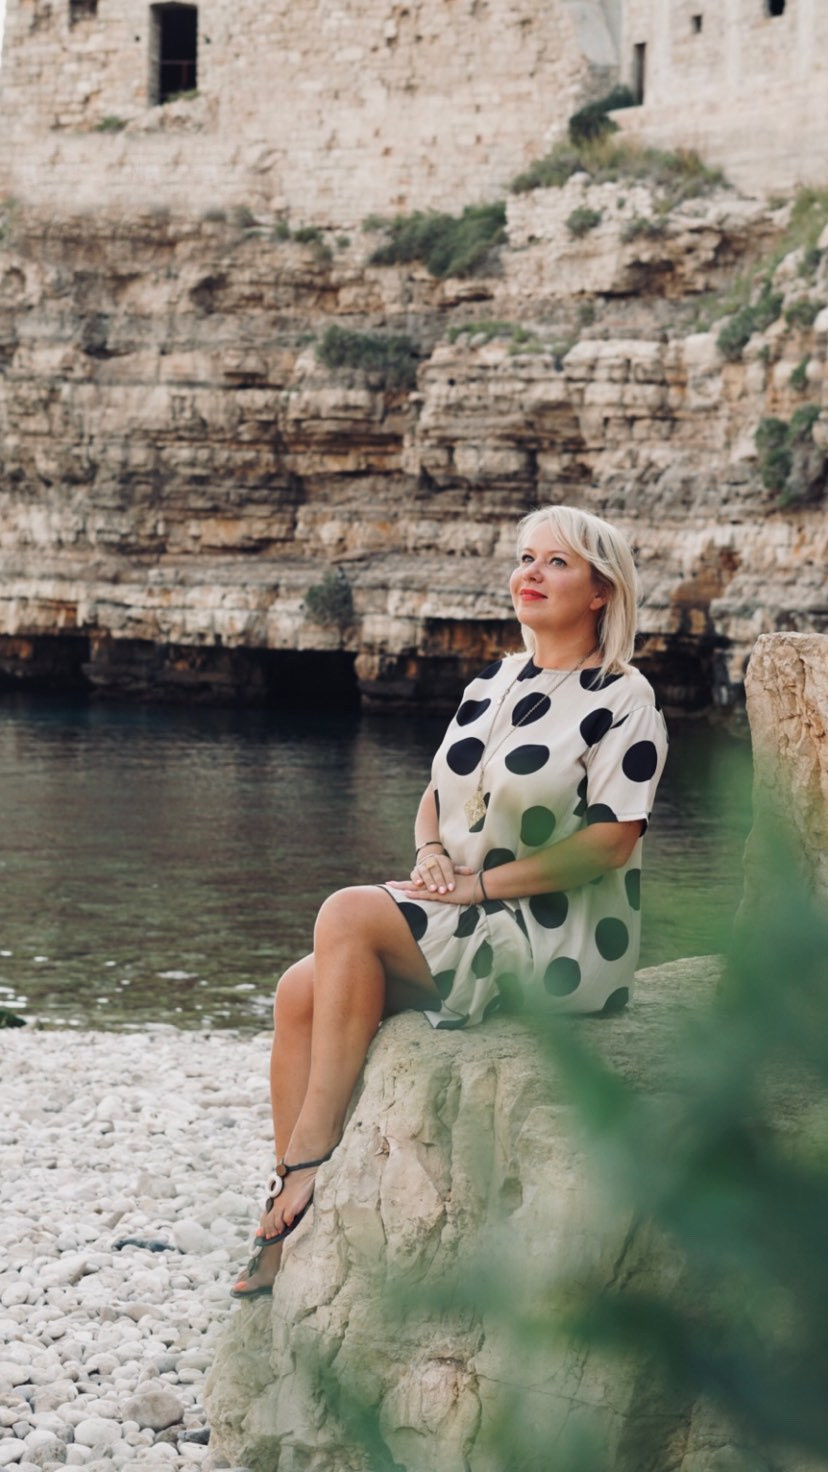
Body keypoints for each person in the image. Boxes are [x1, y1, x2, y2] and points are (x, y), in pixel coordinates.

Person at [231, 504, 668, 1298]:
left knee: (346, 911)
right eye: (525, 558)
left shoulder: (623, 698)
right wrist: (432, 854)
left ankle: (310, 1160)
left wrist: (477, 884)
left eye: (556, 563)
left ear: (603, 591)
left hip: (552, 937)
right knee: (299, 990)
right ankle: (287, 1214)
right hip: (468, 913)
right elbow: (438, 792)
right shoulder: (493, 681)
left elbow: (613, 839)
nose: (529, 574)